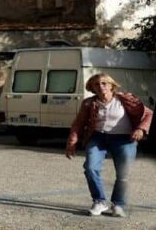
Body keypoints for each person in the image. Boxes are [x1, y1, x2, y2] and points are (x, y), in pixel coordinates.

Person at [65, 73, 152, 217]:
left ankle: (118, 205)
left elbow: (148, 114)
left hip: (124, 139)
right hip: (98, 138)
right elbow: (78, 124)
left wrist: (141, 129)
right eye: (96, 84)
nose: (101, 86)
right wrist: (72, 141)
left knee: (124, 173)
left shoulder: (127, 99)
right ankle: (99, 201)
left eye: (104, 83)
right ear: (92, 88)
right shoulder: (88, 103)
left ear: (112, 85)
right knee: (90, 168)